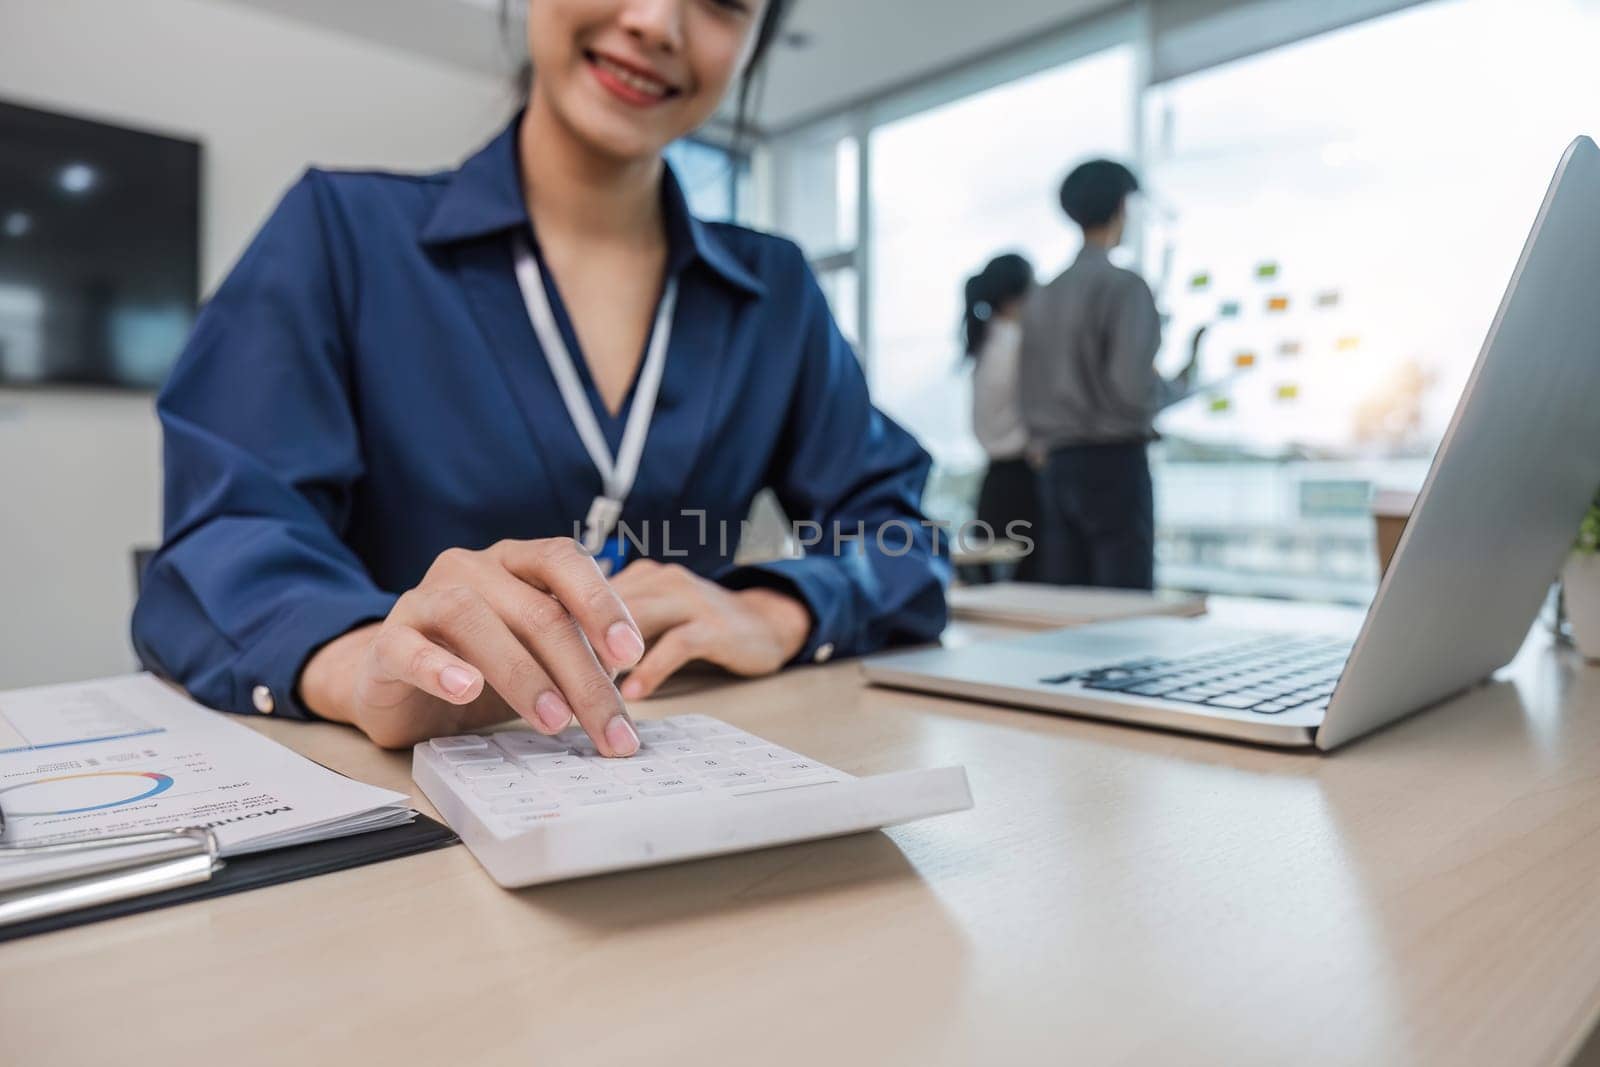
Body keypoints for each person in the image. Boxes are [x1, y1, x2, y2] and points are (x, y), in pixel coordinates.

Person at [131, 0, 947, 755]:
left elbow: (903, 536)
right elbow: (225, 537)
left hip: (690, 781)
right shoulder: (340, 236)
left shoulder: (776, 293)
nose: (659, 21)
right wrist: (362, 666)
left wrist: (784, 609)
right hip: (403, 799)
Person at [1018, 159, 1196, 590]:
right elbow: (1133, 389)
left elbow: (1027, 388)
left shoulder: (1042, 294)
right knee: (1125, 613)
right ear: (1121, 207)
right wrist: (1183, 384)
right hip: (1114, 463)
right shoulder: (1125, 286)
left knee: (1070, 606)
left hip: (1057, 468)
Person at [963, 252, 1041, 582]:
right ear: (1017, 297)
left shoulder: (986, 346)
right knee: (1027, 592)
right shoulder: (1018, 347)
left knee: (993, 590)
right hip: (1023, 485)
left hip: (994, 487)